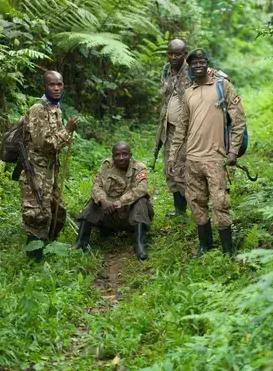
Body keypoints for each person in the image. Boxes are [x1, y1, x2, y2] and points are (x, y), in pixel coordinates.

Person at [168, 48, 246, 256]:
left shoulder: (223, 87)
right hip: (192, 159)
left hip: (216, 158)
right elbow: (181, 127)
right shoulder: (188, 93)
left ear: (207, 63)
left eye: (202, 62)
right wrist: (173, 155)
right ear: (191, 67)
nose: (198, 65)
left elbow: (238, 121)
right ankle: (205, 245)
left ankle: (227, 250)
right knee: (196, 202)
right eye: (194, 63)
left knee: (220, 202)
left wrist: (233, 152)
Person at [20, 71, 78, 261]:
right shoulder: (38, 110)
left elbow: (57, 140)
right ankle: (34, 256)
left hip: (51, 168)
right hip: (36, 168)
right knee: (37, 211)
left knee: (57, 209)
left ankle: (49, 246)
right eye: (52, 85)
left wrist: (65, 133)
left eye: (59, 84)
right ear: (44, 87)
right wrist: (67, 131)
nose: (56, 88)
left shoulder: (56, 108)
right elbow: (43, 144)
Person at [74, 142, 153, 260]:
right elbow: (96, 186)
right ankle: (81, 242)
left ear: (130, 155)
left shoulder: (139, 167)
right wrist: (103, 200)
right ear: (113, 157)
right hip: (109, 212)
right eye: (117, 155)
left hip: (129, 214)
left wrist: (120, 202)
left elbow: (142, 189)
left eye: (125, 154)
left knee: (141, 201)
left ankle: (140, 245)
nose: (121, 158)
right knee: (93, 201)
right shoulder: (106, 166)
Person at [154, 39, 191, 216]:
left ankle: (192, 209)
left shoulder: (193, 69)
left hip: (186, 131)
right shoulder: (166, 70)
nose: (174, 57)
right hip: (167, 128)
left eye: (178, 54)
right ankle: (179, 209)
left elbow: (218, 78)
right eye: (170, 53)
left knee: (181, 170)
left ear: (185, 53)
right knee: (169, 168)